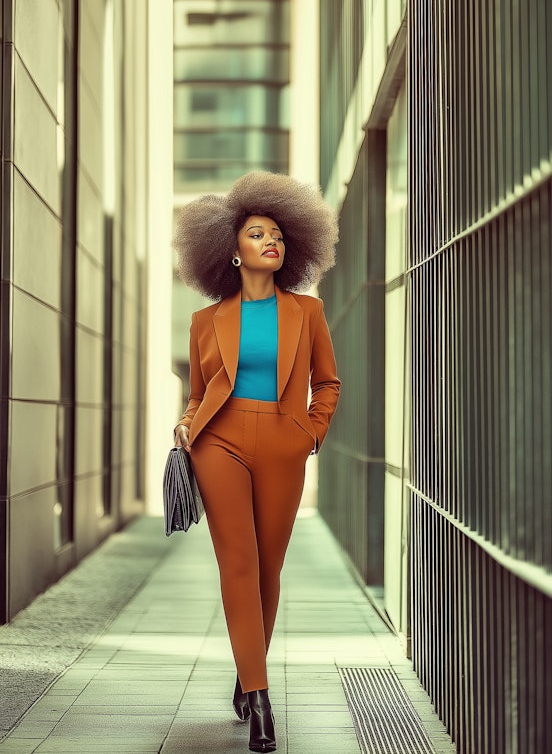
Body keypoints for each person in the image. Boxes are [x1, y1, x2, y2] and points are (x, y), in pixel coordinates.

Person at [172, 171, 341, 753]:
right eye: (256, 233)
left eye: (277, 234)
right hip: (218, 441)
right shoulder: (204, 322)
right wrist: (187, 424)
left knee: (269, 566)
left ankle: (248, 672)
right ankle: (262, 699)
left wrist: (310, 434)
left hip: (283, 442)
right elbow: (198, 393)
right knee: (238, 564)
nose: (271, 242)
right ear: (231, 250)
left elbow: (329, 383)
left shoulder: (308, 311)